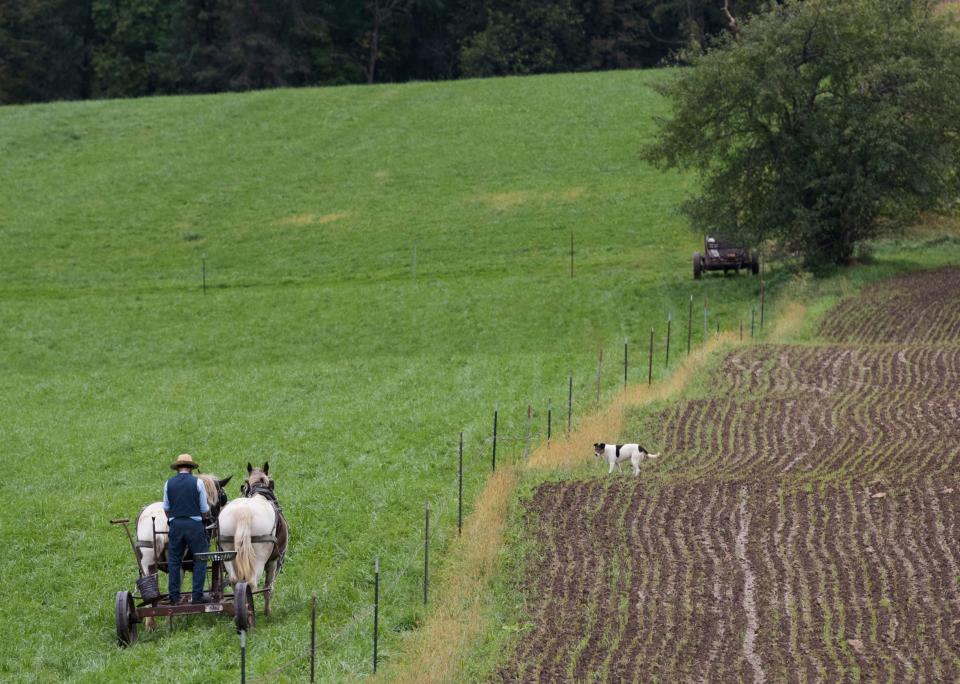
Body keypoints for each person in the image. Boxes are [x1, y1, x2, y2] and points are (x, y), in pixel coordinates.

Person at [163, 453, 211, 604]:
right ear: (190, 468)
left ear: (177, 468)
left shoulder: (168, 483)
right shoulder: (198, 483)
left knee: (174, 561)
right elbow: (204, 509)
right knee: (200, 558)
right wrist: (203, 516)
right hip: (194, 525)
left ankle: (174, 597)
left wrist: (175, 518)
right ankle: (197, 596)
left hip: (175, 525)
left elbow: (166, 508)